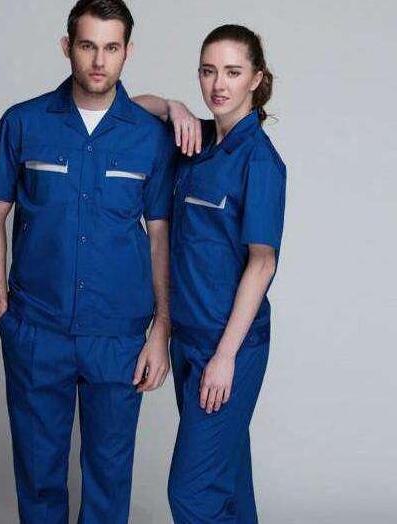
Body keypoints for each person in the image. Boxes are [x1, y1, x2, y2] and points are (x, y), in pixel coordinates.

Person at [0, 1, 176, 522]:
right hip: (37, 329)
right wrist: (1, 309)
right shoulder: (23, 122)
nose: (99, 61)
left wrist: (161, 329)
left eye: (111, 48)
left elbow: (160, 236)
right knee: (38, 476)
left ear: (127, 52)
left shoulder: (151, 137)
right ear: (67, 47)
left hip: (119, 336)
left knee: (109, 478)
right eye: (87, 46)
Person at [134, 24, 287, 523]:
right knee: (229, 483)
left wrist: (225, 357)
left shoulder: (259, 162)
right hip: (187, 339)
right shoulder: (193, 140)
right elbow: (128, 110)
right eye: (208, 71)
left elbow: (263, 262)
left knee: (193, 493)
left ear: (256, 79)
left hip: (228, 347)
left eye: (233, 72)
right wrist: (172, 106)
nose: (218, 84)